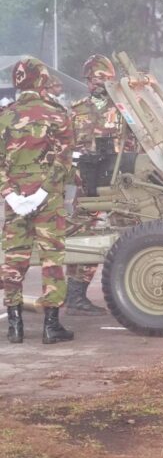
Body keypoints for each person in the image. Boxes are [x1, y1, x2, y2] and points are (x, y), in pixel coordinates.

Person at [0, 57, 75, 344]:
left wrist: (12, 196)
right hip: (48, 200)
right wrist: (42, 193)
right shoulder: (56, 114)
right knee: (51, 260)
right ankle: (51, 326)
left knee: (14, 261)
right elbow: (64, 160)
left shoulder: (5, 115)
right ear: (42, 80)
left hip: (15, 201)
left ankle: (14, 327)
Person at [66, 54, 136, 316]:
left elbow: (137, 143)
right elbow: (65, 147)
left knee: (128, 233)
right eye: (93, 79)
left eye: (103, 78)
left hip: (121, 183)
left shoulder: (124, 109)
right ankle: (75, 294)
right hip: (88, 183)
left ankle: (131, 289)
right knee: (83, 235)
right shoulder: (77, 110)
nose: (97, 83)